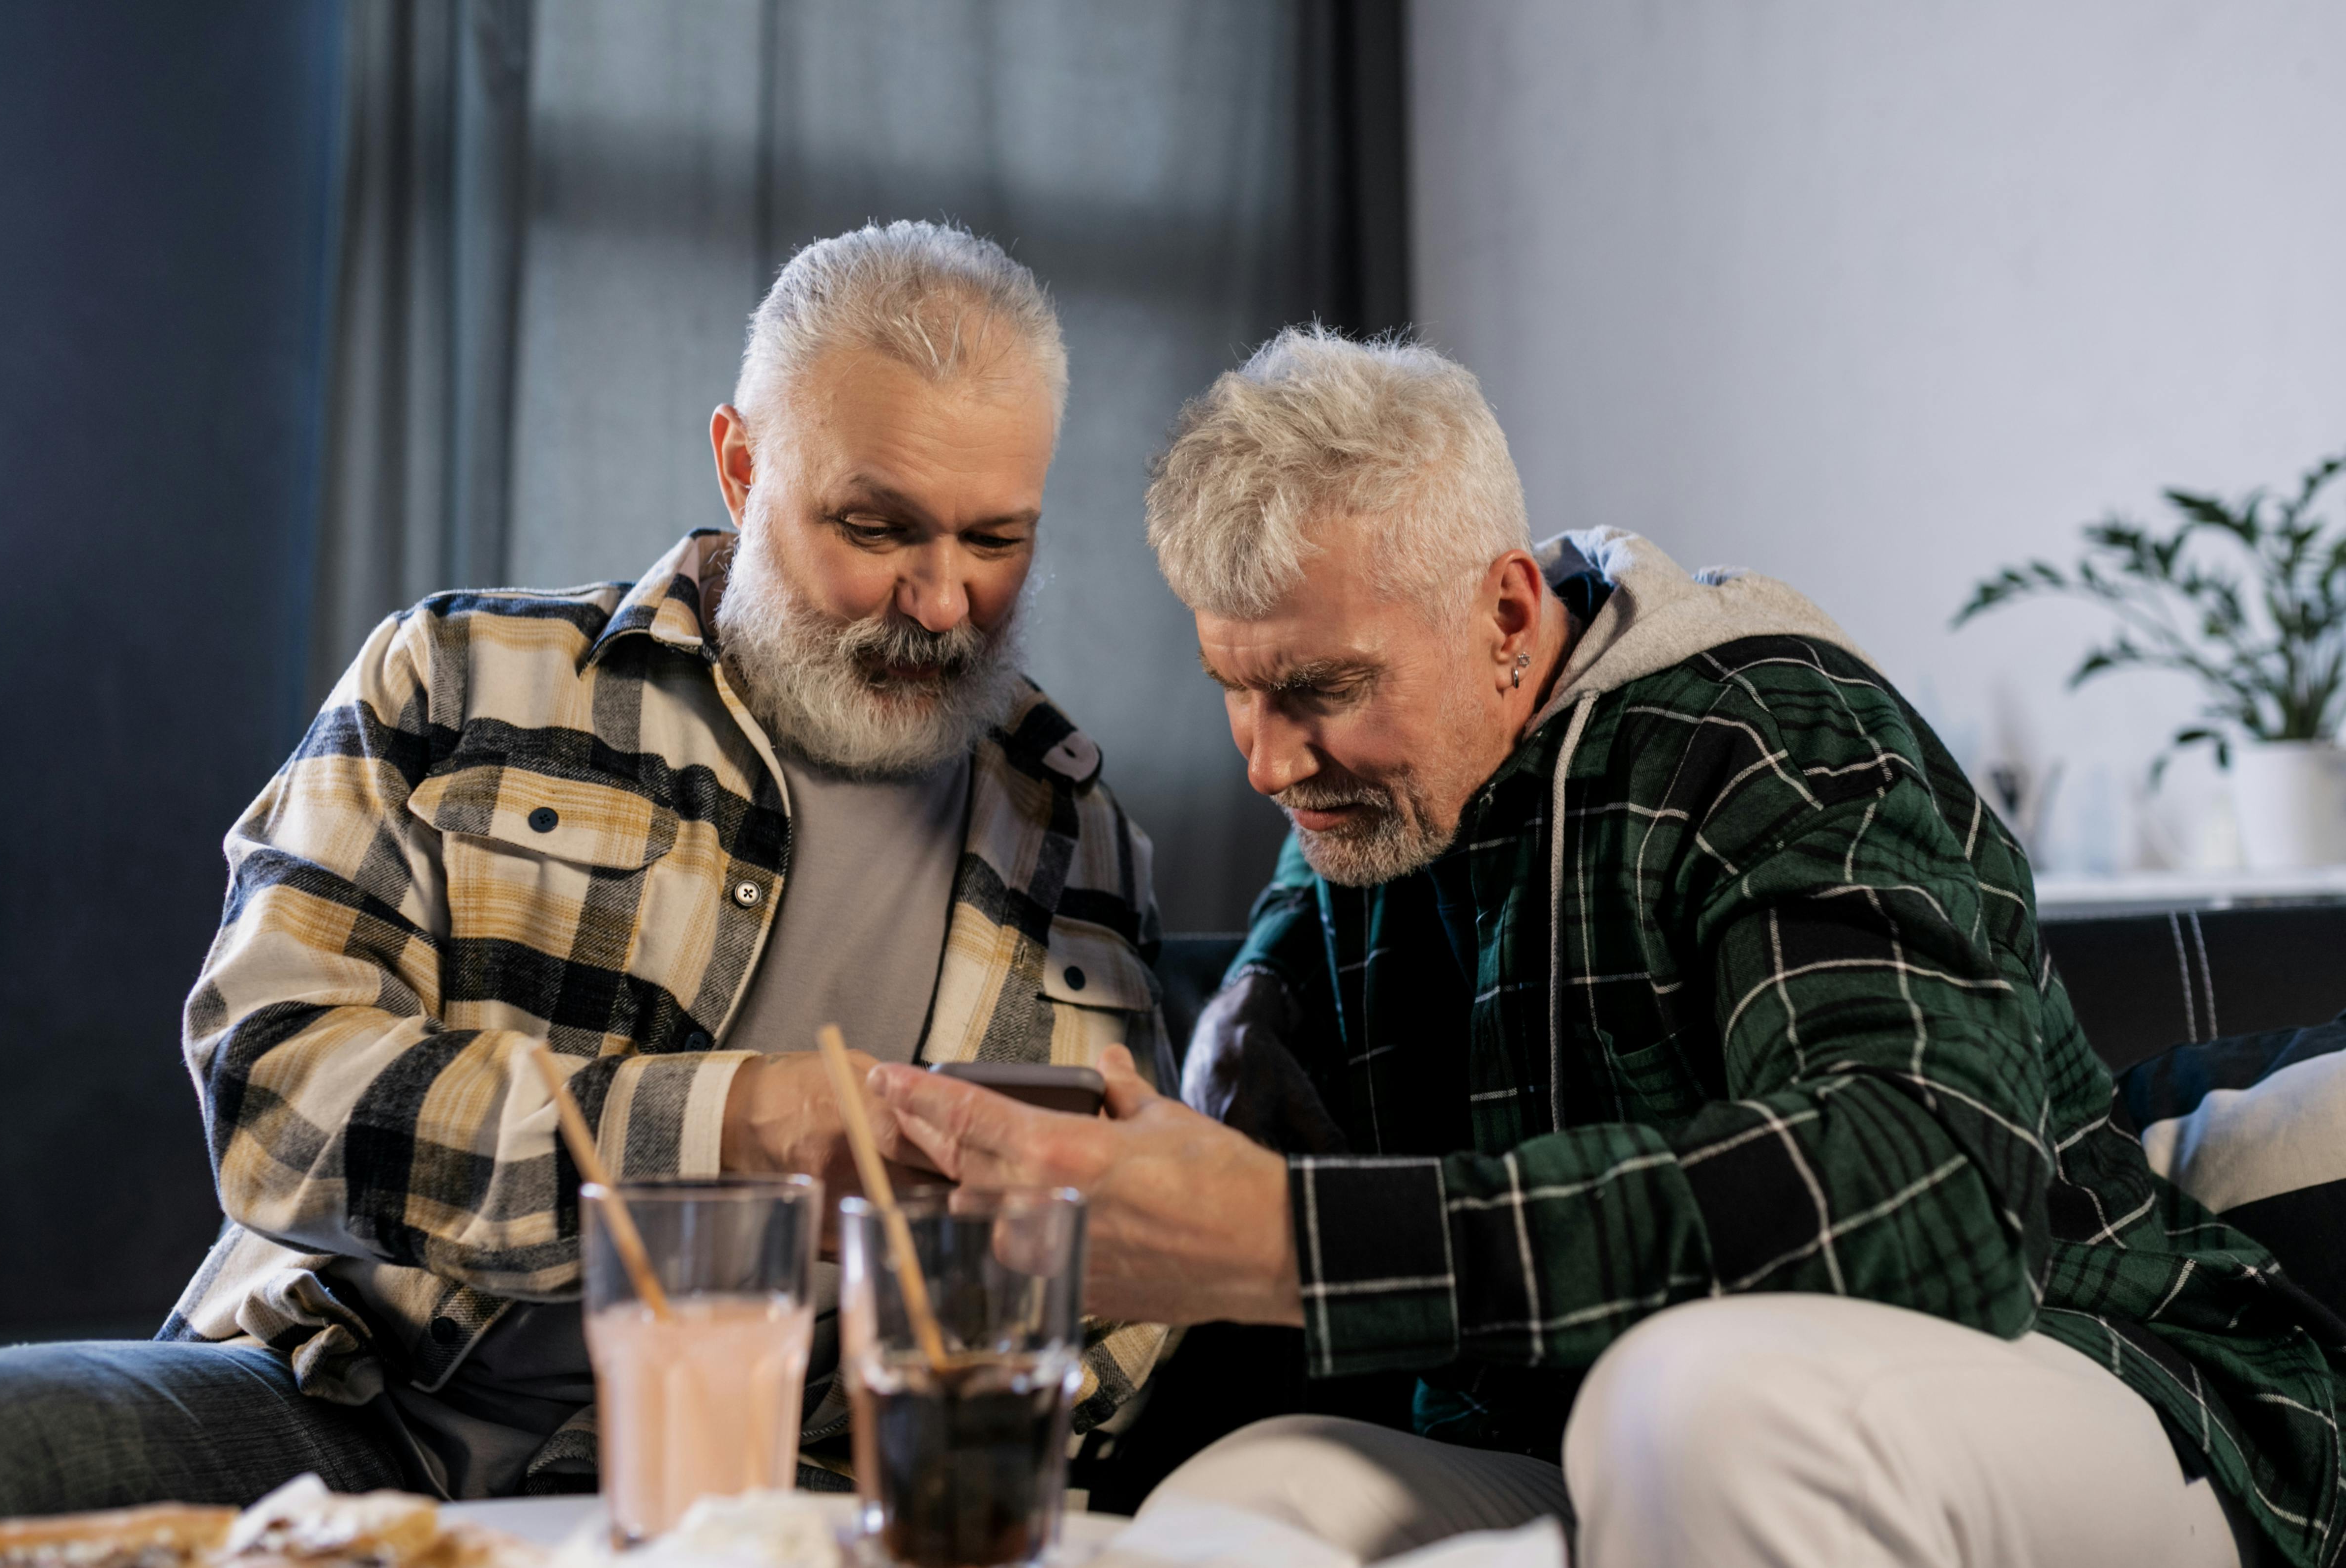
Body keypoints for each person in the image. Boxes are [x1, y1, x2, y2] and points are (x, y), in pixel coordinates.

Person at [868, 328, 2346, 1567]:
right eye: (1233, 690)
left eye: (1318, 690)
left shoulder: (1774, 741)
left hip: (2085, 1375)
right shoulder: (1392, 796)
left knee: (1698, 1402)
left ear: (1507, 613)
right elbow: (1293, 907)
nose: (1264, 762)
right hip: (1578, 1433)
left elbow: (1929, 1194)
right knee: (1249, 1509)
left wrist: (1286, 1241)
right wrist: (1246, 995)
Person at [0, 221, 1172, 1510]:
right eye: (877, 527)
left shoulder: (1077, 837)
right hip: (349, 1409)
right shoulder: (452, 679)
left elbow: (1123, 1295)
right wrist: (727, 1127)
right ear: (739, 465)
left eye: (995, 542)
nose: (942, 602)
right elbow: (277, 1095)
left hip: (798, 1493)